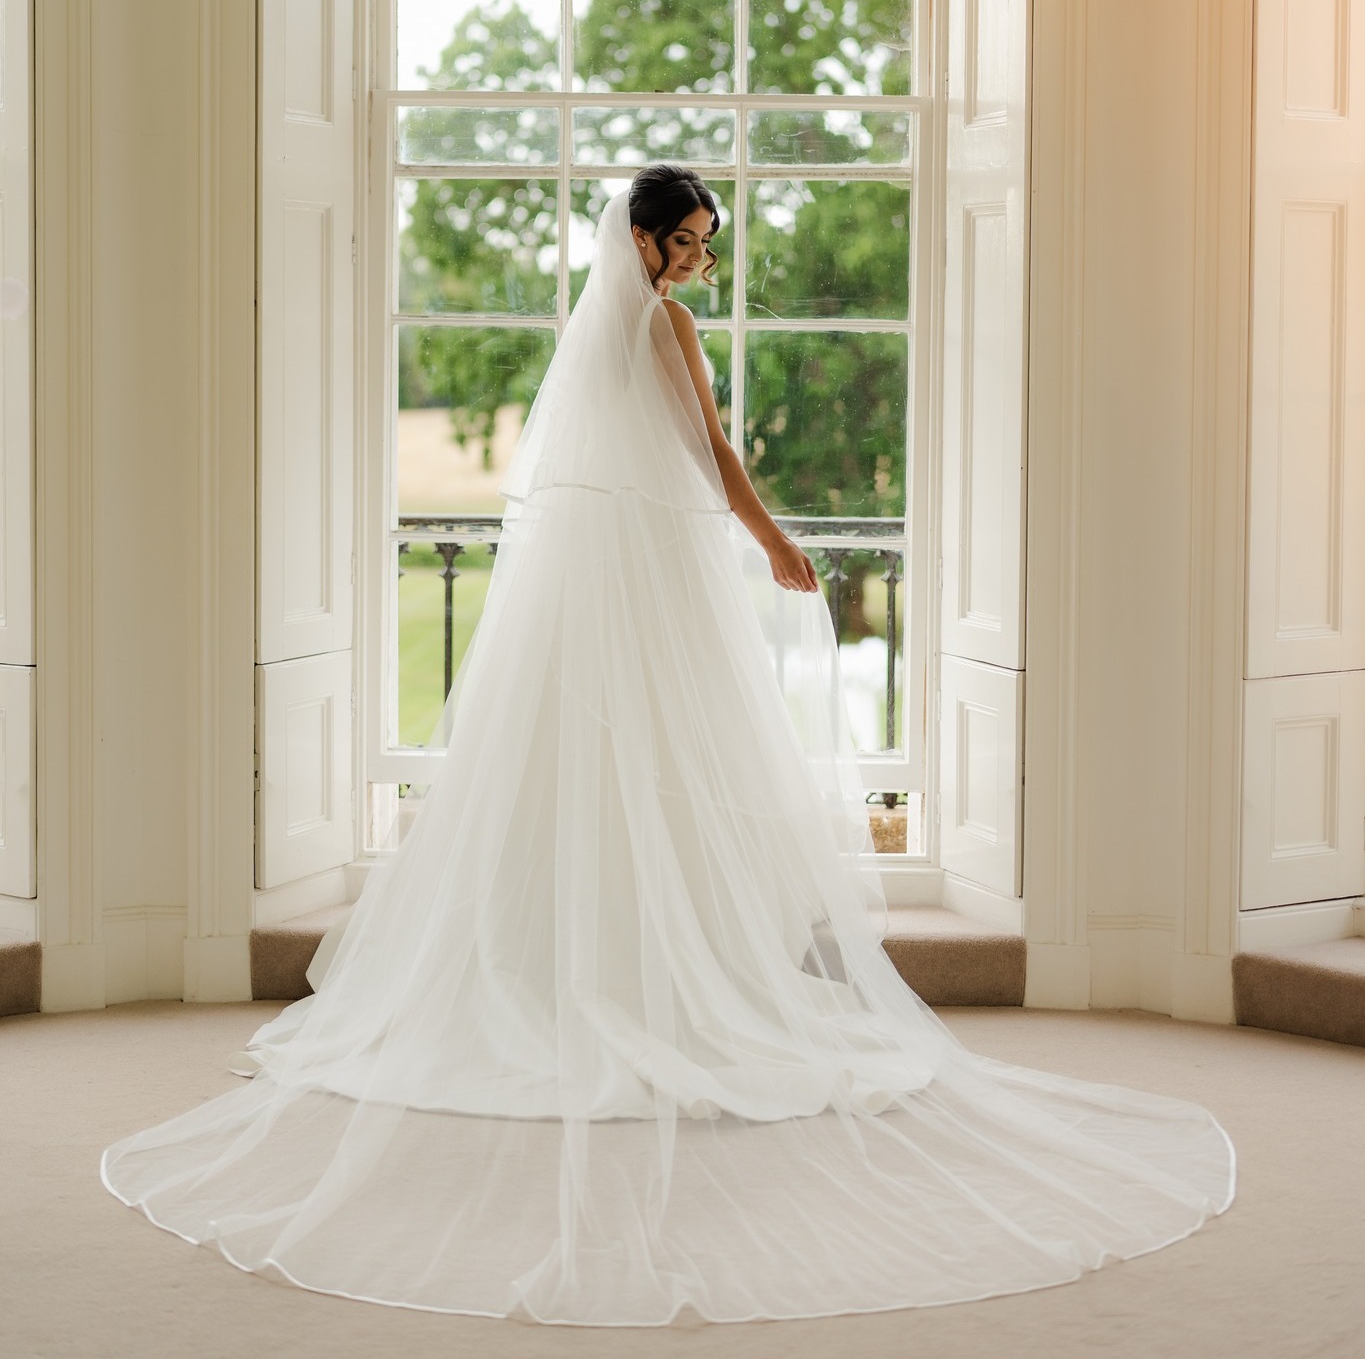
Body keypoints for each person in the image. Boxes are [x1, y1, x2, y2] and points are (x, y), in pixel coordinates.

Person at [101, 165, 1235, 1325]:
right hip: (648, 577)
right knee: (668, 764)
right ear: (641, 241)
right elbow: (712, 452)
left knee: (582, 770)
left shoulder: (597, 326)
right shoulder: (665, 321)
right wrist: (774, 537)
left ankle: (578, 968)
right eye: (686, 238)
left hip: (588, 580)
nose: (699, 256)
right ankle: (658, 977)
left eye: (701, 239)